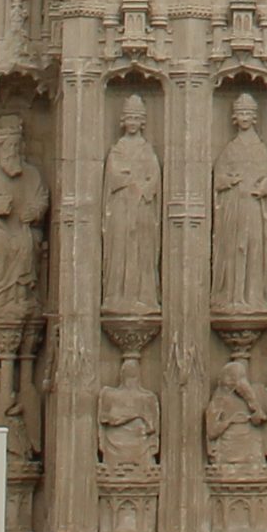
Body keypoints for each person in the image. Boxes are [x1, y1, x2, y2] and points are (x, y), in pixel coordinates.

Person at [0, 114, 48, 321]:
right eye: (8, 146)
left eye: (16, 146)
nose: (13, 151)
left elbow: (42, 198)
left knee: (29, 242)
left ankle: (23, 298)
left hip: (24, 229)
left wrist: (34, 212)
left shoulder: (32, 174)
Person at [211, 94, 267, 317]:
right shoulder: (230, 149)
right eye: (241, 113)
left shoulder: (260, 149)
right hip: (233, 209)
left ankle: (253, 296)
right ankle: (231, 296)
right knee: (233, 249)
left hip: (253, 209)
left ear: (254, 118)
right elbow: (218, 179)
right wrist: (230, 181)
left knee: (254, 249)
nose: (244, 118)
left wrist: (262, 188)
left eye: (248, 113)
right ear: (235, 118)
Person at [101, 95, 161, 316]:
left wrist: (141, 186)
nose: (133, 122)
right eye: (130, 118)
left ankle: (144, 297)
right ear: (123, 121)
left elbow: (154, 178)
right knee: (120, 250)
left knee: (143, 251)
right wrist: (132, 180)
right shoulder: (117, 150)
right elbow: (113, 177)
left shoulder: (148, 151)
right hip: (121, 210)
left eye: (137, 118)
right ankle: (116, 296)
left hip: (142, 211)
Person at [204, 359, 267, 465]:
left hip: (249, 445)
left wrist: (254, 412)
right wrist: (230, 421)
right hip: (229, 447)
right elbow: (211, 432)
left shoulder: (252, 395)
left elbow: (260, 419)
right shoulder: (219, 399)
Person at [97, 357, 159, 466]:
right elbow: (104, 418)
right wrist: (135, 415)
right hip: (116, 445)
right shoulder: (110, 394)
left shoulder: (147, 398)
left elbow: (151, 428)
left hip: (139, 443)